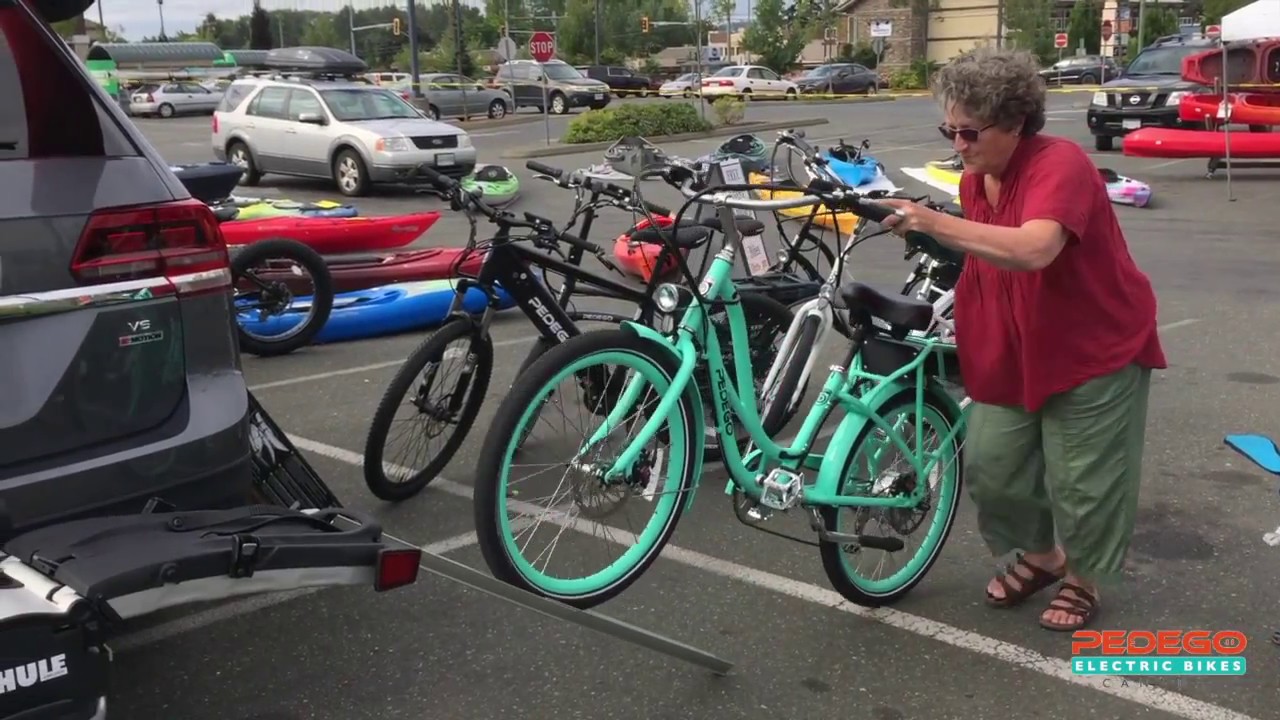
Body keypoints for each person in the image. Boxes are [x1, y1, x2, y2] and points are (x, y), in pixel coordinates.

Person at [878, 47, 1167, 632]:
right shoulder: (975, 176)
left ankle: (1083, 577)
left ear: (1013, 123)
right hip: (1009, 341)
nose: (957, 144)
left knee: (1083, 477)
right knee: (992, 464)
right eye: (949, 130)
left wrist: (929, 220)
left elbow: (1036, 248)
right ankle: (1042, 558)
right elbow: (981, 248)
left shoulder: (1058, 164)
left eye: (968, 132)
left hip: (1092, 342)